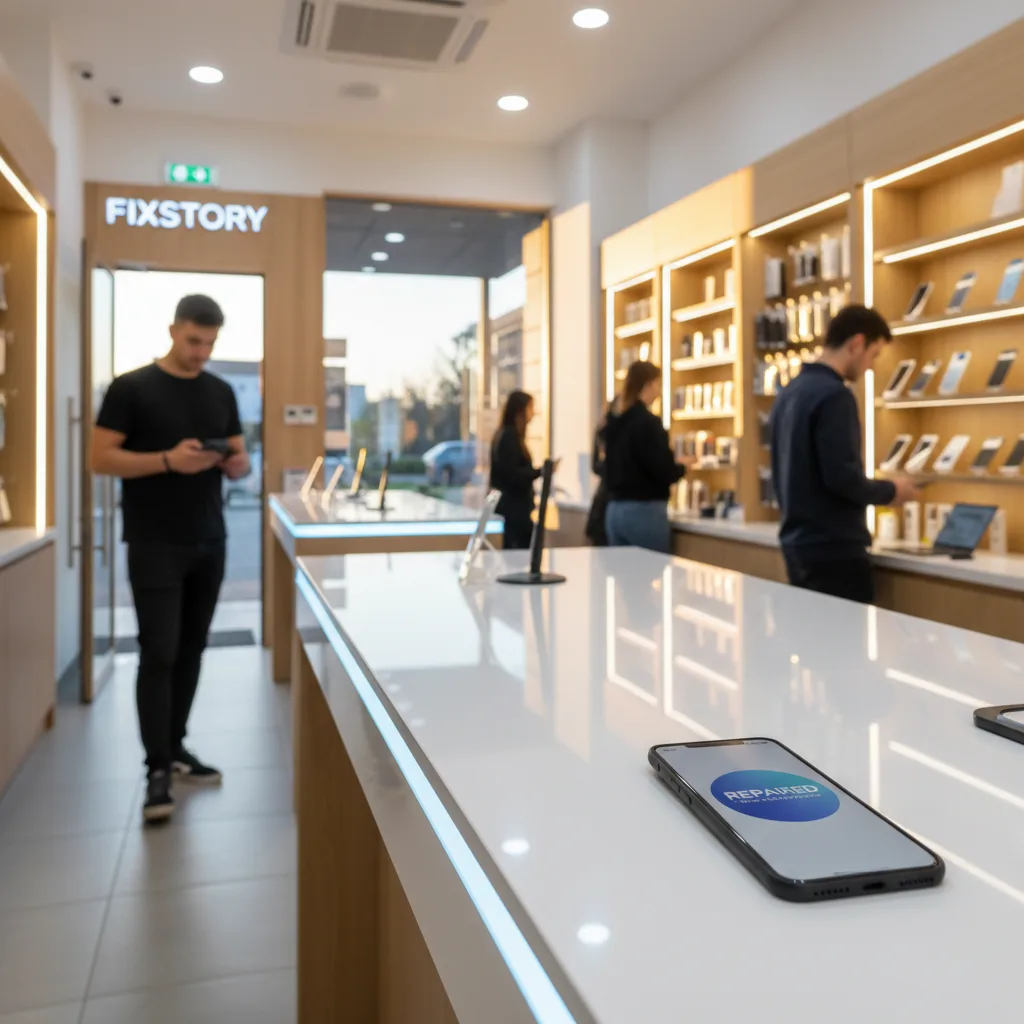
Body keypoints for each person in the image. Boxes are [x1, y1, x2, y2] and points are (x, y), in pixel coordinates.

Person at [91, 294, 250, 823]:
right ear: (173, 331)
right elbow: (100, 458)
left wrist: (234, 464)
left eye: (210, 343)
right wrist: (167, 461)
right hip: (154, 541)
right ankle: (156, 768)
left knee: (192, 649)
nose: (201, 351)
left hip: (211, 538)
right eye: (193, 341)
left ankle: (177, 746)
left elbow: (239, 457)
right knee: (158, 651)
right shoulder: (131, 388)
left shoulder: (222, 391)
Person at [770, 304, 918, 604]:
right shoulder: (835, 396)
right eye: (873, 355)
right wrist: (891, 490)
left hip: (798, 545)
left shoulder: (790, 392)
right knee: (845, 647)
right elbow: (841, 477)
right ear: (857, 344)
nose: (871, 367)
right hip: (833, 551)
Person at [604, 361, 686, 553]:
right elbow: (663, 469)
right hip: (644, 512)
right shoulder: (648, 424)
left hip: (614, 511)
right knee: (650, 573)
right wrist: (681, 467)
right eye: (658, 384)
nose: (659, 391)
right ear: (648, 384)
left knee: (625, 579)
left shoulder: (614, 422)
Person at [489, 391, 542, 549]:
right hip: (515, 509)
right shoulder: (509, 436)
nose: (532, 414)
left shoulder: (508, 435)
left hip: (516, 508)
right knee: (518, 551)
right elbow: (511, 473)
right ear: (520, 411)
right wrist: (538, 472)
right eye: (530, 408)